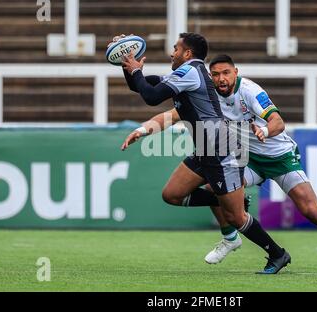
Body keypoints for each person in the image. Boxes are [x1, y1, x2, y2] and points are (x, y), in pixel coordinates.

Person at [122, 53, 317, 275]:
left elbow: (278, 122)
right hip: (245, 158)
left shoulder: (249, 90)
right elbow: (172, 115)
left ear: (236, 72)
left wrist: (265, 132)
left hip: (279, 157)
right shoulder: (207, 94)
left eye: (226, 73)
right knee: (216, 188)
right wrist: (144, 130)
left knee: (313, 212)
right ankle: (230, 237)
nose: (221, 79)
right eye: (216, 74)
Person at [114, 33, 291, 274]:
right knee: (172, 194)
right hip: (207, 150)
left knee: (237, 218)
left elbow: (152, 97)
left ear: (187, 53)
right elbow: (141, 86)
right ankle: (229, 202)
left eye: (176, 48)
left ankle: (277, 254)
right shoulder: (184, 73)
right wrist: (128, 64)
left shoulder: (190, 72)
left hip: (223, 150)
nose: (172, 52)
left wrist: (136, 71)